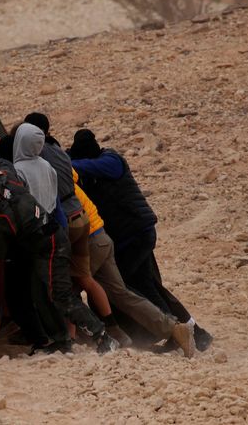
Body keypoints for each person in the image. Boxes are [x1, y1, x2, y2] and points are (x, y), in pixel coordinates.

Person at [0, 128, 118, 353]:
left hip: (42, 240)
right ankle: (61, 340)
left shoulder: (18, 172)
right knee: (42, 294)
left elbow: (5, 178)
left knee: (60, 295)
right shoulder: (46, 166)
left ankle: (101, 336)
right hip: (50, 231)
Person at [69, 129, 212, 351]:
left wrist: (62, 164)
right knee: (149, 285)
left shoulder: (111, 161)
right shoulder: (95, 166)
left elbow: (86, 167)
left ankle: (171, 330)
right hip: (134, 235)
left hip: (135, 236)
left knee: (124, 288)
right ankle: (195, 332)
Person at [21, 113, 131, 346]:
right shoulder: (56, 159)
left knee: (62, 288)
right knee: (87, 281)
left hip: (57, 232)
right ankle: (114, 330)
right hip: (80, 222)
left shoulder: (22, 168)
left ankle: (73, 337)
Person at [73, 168, 196, 357]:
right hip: (103, 237)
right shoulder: (70, 178)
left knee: (67, 290)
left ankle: (84, 338)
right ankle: (173, 328)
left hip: (89, 243)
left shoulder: (54, 180)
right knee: (121, 292)